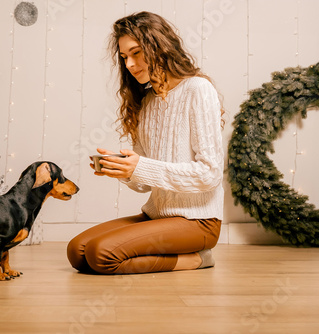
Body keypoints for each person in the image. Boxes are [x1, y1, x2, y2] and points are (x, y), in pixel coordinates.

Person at [67, 11, 224, 275]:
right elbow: (142, 182)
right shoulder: (148, 102)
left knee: (100, 254)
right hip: (157, 215)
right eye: (124, 56)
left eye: (136, 52)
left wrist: (139, 167)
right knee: (78, 252)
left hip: (198, 221)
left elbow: (210, 175)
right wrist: (122, 169)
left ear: (158, 47)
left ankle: (198, 259)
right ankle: (184, 254)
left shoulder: (198, 90)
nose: (129, 64)